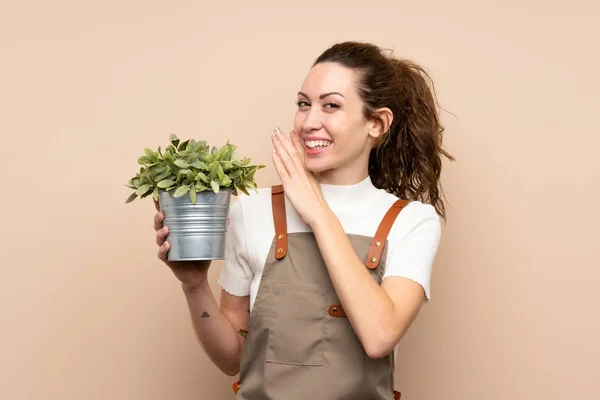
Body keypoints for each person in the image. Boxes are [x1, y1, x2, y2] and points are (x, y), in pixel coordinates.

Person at [153, 41, 453, 399]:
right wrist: (194, 286)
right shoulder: (251, 209)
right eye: (303, 104)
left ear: (376, 123)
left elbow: (380, 335)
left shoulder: (411, 221)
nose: (310, 122)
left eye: (331, 106)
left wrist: (317, 211)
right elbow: (232, 357)